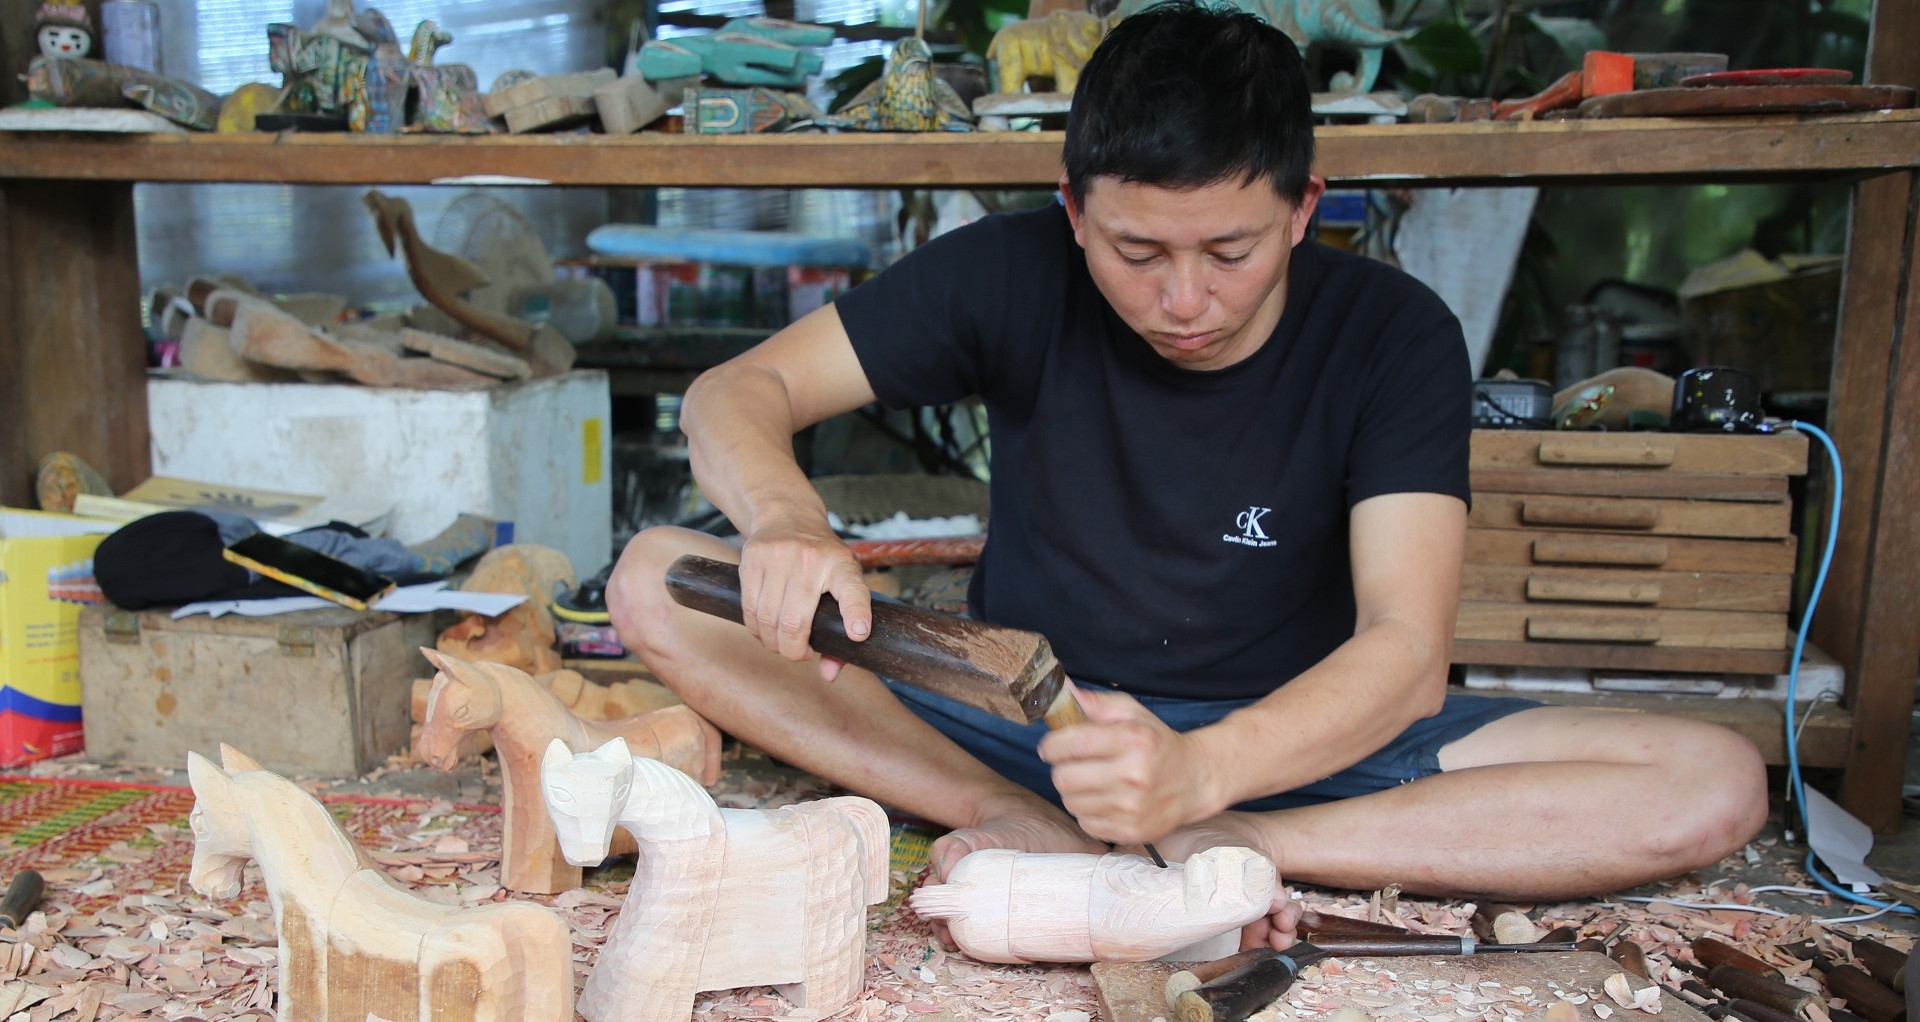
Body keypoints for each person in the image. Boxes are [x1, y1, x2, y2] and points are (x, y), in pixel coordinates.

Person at [607, 0, 1768, 949]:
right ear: (1072, 211)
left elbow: (1406, 658)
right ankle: (1011, 817)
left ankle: (1246, 840)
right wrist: (784, 516)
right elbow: (733, 393)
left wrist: (1202, 779)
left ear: (1305, 209)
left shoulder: (1392, 333)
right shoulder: (1009, 274)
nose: (1183, 300)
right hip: (1029, 713)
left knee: (1712, 780)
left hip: (1297, 738)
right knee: (658, 574)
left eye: (1231, 250)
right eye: (1136, 250)